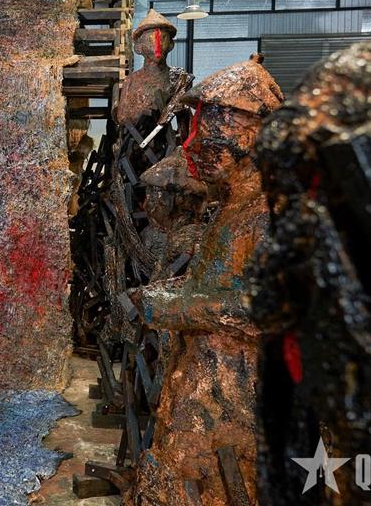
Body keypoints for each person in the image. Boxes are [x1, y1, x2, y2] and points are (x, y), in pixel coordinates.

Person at [128, 54, 283, 506]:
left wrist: (178, 308)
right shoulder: (231, 210)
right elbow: (219, 284)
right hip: (207, 381)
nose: (192, 144)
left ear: (250, 134)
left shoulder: (270, 215)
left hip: (239, 392)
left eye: (209, 128)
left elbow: (268, 308)